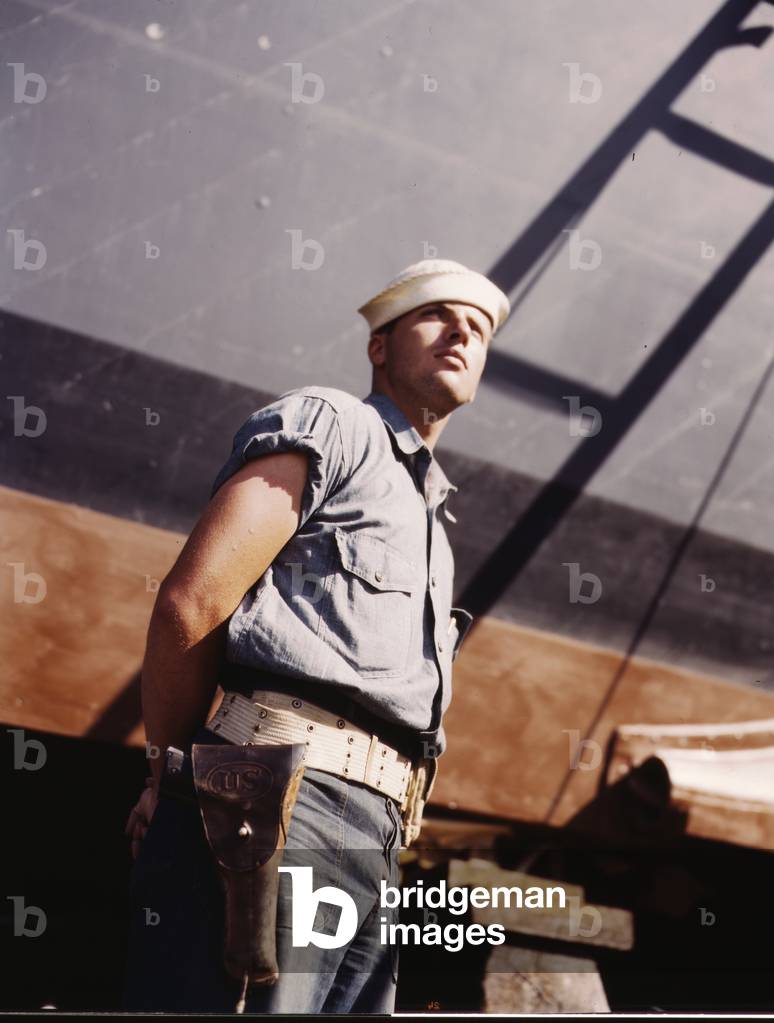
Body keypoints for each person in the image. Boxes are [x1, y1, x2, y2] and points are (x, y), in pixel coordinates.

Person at [122, 258, 510, 1013]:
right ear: (379, 348)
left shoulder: (434, 522)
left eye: (481, 327)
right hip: (283, 799)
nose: (463, 330)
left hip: (379, 840)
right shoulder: (334, 423)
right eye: (438, 315)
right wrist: (168, 776)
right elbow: (191, 603)